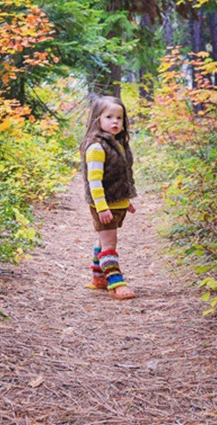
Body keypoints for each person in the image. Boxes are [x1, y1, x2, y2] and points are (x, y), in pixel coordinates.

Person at [79, 94, 137, 300]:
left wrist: (125, 200)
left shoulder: (118, 144)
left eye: (119, 118)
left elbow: (117, 178)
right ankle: (116, 283)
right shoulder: (96, 148)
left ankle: (99, 278)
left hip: (115, 203)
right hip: (104, 205)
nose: (115, 121)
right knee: (109, 244)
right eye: (109, 117)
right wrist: (102, 207)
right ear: (98, 120)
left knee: (103, 240)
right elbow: (94, 182)